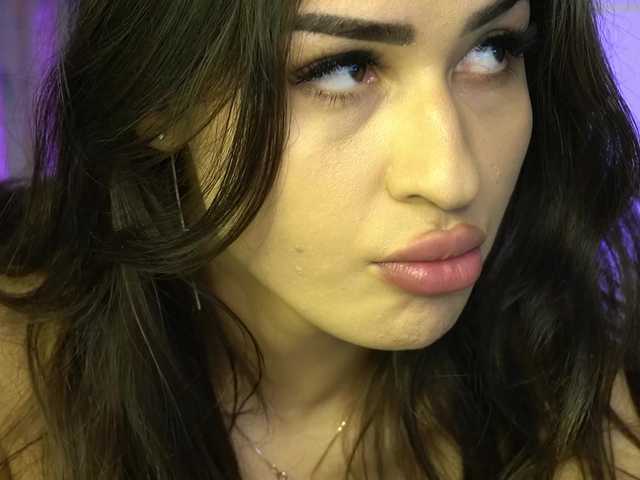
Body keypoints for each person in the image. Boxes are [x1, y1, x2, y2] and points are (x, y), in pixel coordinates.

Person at [0, 0, 639, 478]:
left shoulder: (565, 392)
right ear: (160, 100)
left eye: (492, 52)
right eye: (343, 69)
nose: (452, 179)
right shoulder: (21, 388)